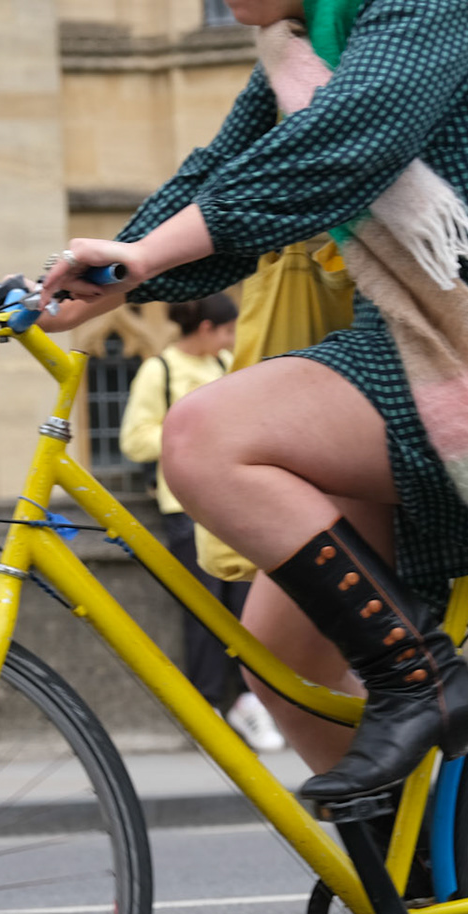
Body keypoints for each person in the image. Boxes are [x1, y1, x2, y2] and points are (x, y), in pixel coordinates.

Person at [37, 0, 468, 914]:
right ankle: (422, 907)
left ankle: (419, 678)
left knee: (205, 434)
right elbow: (225, 175)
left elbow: (331, 153)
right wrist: (97, 272)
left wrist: (139, 261)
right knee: (280, 653)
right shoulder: (298, 46)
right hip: (412, 349)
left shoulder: (426, 6)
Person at [119, 293, 287, 751]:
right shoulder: (160, 370)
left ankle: (249, 700)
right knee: (204, 609)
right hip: (186, 507)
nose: (232, 339)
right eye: (228, 330)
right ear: (208, 328)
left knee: (248, 607)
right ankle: (207, 705)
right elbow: (135, 440)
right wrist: (195, 437)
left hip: (235, 500)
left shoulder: (226, 364)